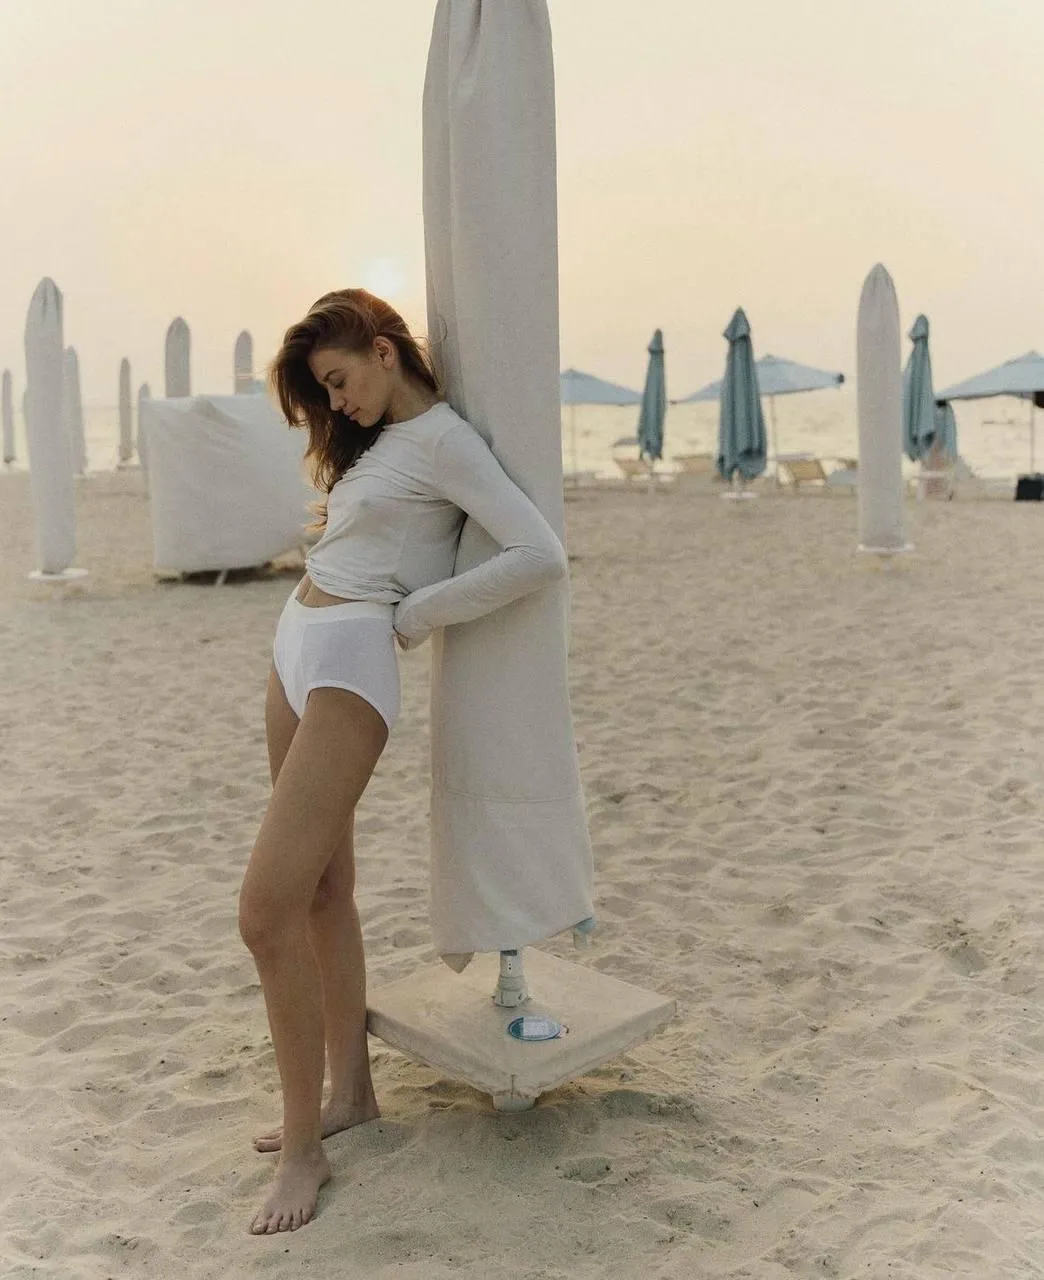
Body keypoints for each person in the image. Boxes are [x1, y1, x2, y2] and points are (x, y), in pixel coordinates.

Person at [238, 288, 568, 1235]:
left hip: (353, 659)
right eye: (325, 393)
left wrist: (415, 615)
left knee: (263, 913)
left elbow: (538, 553)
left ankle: (305, 1152)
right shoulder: (380, 441)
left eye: (339, 381)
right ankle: (350, 1095)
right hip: (297, 639)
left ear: (386, 351)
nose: (337, 404)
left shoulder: (447, 442)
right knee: (321, 892)